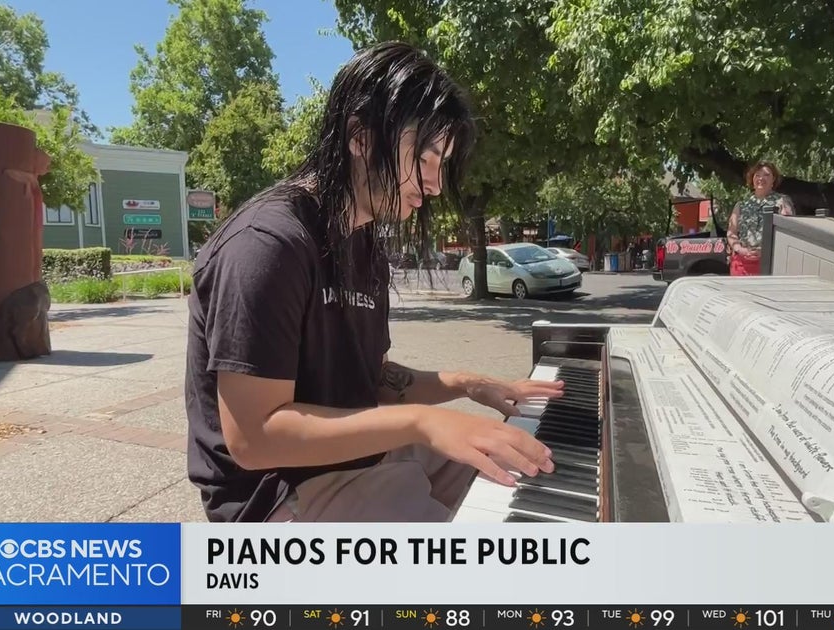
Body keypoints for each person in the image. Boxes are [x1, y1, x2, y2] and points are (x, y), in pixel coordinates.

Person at [184, 42, 563, 523]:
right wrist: (423, 422)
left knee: (520, 478)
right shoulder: (267, 244)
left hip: (354, 455)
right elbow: (253, 439)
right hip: (277, 492)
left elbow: (375, 381)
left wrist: (467, 384)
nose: (435, 184)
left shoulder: (364, 245)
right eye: (425, 157)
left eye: (442, 163)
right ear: (360, 137)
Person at [726, 161, 795, 276]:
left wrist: (766, 251)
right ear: (752, 179)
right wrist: (739, 249)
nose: (761, 178)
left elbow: (788, 233)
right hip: (742, 264)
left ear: (773, 179)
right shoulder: (741, 205)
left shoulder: (782, 201)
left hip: (770, 263)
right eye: (757, 175)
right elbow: (731, 232)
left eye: (766, 175)